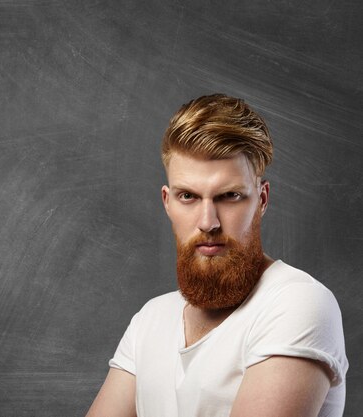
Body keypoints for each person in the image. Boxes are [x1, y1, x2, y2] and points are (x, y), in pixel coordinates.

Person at [86, 94, 348, 417]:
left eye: (230, 196)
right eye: (188, 197)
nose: (208, 222)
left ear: (262, 200)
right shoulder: (149, 320)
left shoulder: (299, 303)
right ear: (167, 202)